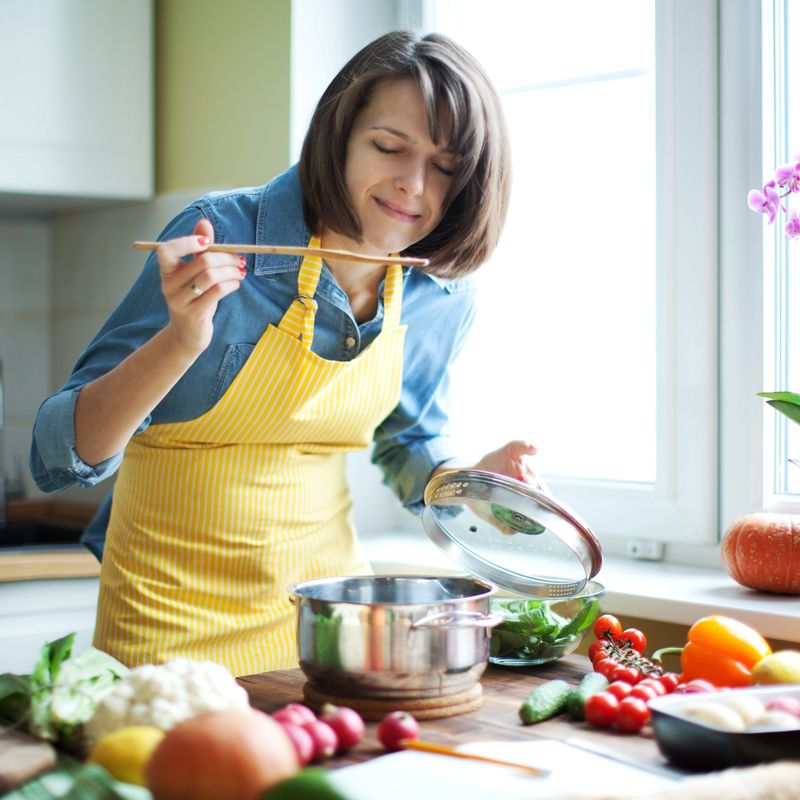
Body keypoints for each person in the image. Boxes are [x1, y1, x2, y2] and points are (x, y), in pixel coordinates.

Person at [30, 30, 540, 676]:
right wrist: (181, 339)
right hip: (167, 630)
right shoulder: (221, 237)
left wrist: (470, 481)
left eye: (444, 166)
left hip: (330, 627)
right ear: (340, 135)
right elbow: (56, 455)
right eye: (389, 147)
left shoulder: (439, 297)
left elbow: (408, 439)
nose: (413, 184)